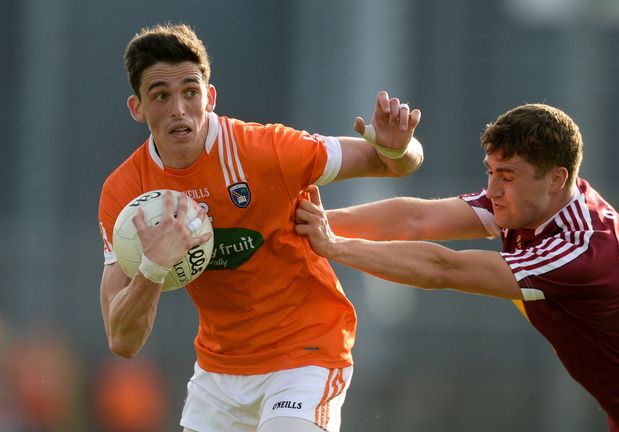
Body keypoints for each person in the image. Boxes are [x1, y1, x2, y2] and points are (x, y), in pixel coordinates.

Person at [295, 103, 619, 431]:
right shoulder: (541, 203)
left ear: (556, 178)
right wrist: (309, 222)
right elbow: (417, 218)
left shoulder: (580, 253)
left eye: (507, 176)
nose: (492, 190)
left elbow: (443, 269)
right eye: (490, 171)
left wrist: (333, 245)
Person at [97, 23, 423, 432]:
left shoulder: (265, 151)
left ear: (210, 97)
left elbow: (393, 163)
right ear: (137, 108)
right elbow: (123, 342)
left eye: (190, 92)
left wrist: (399, 145)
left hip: (306, 352)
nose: (179, 109)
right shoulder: (126, 194)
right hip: (219, 372)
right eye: (161, 95)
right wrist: (153, 267)